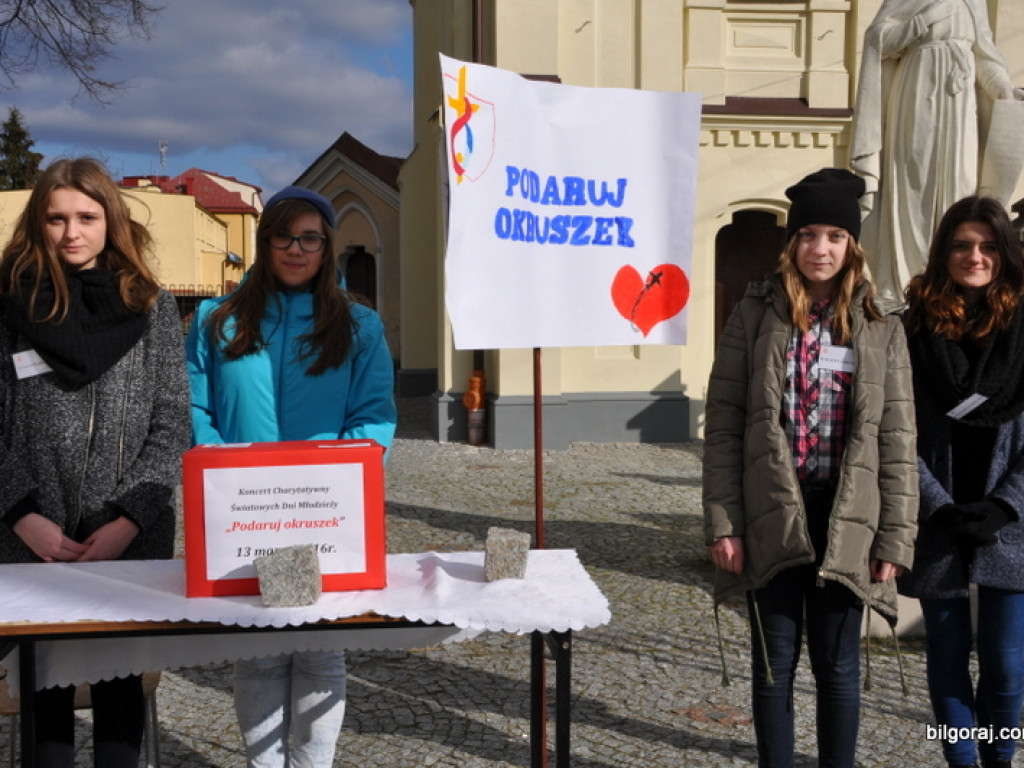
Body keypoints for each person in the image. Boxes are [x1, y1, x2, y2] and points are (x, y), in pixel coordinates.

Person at [702, 168, 918, 768]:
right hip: (772, 506)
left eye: (834, 236)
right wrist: (724, 523)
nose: (819, 249)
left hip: (847, 516)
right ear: (791, 242)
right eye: (808, 235)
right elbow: (722, 423)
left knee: (838, 666)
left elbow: (898, 440)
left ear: (852, 246)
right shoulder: (754, 313)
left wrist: (896, 536)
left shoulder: (880, 326)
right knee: (773, 665)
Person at [186, 186, 396, 768]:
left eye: (310, 238)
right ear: (265, 240)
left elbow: (373, 419)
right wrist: (221, 470)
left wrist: (334, 480)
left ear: (326, 246)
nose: (296, 249)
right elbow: (195, 408)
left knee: (320, 651)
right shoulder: (218, 319)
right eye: (284, 236)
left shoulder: (358, 324)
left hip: (322, 509)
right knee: (259, 654)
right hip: (243, 507)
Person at [0, 157, 189, 767]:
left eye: (86, 216)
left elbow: (171, 425)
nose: (71, 232)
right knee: (45, 701)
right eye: (56, 218)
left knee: (118, 694)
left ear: (112, 219)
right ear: (37, 224)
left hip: (126, 538)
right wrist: (22, 515)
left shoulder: (151, 306)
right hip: (31, 537)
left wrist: (128, 518)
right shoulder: (9, 307)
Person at [898, 196, 1024, 768]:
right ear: (944, 251)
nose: (975, 256)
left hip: (1011, 523)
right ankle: (962, 763)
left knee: (1006, 665)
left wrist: (1005, 505)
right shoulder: (911, 330)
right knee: (946, 660)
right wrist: (938, 506)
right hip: (938, 519)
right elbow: (894, 430)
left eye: (988, 246)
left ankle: (999, 761)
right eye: (963, 245)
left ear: (1005, 253)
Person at [850, 0, 1024, 311]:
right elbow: (879, 42)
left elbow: (983, 54)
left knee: (962, 186)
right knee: (913, 189)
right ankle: (906, 284)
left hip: (961, 109)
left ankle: (950, 284)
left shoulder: (974, 2)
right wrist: (919, 24)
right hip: (916, 95)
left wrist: (1003, 89)